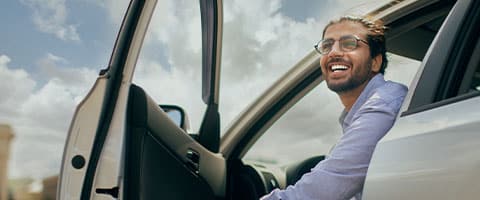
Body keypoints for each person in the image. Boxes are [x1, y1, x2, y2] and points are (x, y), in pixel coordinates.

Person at [260, 16, 408, 200]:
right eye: (327, 46)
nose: (333, 52)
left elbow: (321, 191)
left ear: (375, 62)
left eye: (349, 43)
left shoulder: (385, 102)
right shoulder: (359, 114)